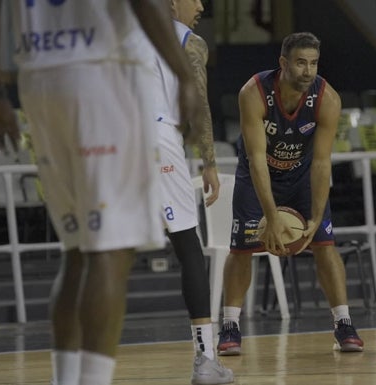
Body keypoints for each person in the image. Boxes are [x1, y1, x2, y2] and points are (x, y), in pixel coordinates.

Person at [0, 1, 198, 385]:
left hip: (40, 81)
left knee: (77, 250)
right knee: (110, 251)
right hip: (105, 75)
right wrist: (184, 74)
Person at [217, 32, 364, 356]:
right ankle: (230, 325)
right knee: (241, 248)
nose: (308, 71)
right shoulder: (253, 93)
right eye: (300, 63)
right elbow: (256, 160)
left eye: (313, 63)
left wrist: (315, 216)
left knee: (325, 244)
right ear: (283, 63)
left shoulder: (328, 99)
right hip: (257, 175)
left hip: (302, 175)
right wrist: (270, 216)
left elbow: (323, 162)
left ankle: (344, 323)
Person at [149, 0, 232, 383]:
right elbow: (197, 103)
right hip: (157, 138)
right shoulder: (189, 40)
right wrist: (210, 161)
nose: (200, 5)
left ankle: (72, 368)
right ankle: (205, 360)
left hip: (110, 140)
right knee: (188, 246)